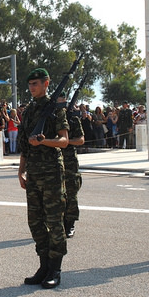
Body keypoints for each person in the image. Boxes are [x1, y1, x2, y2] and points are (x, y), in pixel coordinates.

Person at [17, 68, 69, 289]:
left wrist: (44, 141)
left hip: (51, 172)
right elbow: (24, 146)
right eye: (29, 85)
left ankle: (55, 268)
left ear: (47, 83)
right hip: (34, 172)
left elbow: (64, 141)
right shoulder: (28, 111)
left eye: (35, 84)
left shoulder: (56, 110)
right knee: (35, 221)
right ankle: (43, 264)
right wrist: (20, 170)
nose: (32, 88)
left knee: (54, 222)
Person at [58, 94, 85, 238]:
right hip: (55, 160)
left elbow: (81, 140)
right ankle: (59, 223)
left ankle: (70, 223)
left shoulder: (73, 120)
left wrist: (66, 142)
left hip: (69, 162)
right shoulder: (53, 119)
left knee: (71, 193)